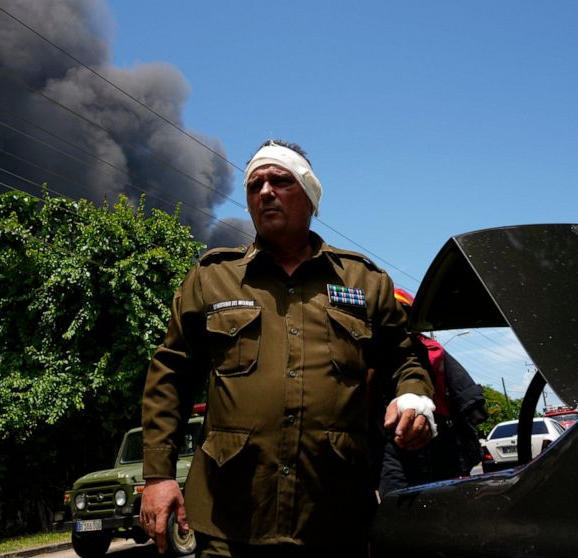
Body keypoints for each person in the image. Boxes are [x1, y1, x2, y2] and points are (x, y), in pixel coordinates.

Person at [139, 139, 437, 557]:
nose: (265, 192)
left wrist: (414, 399)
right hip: (229, 522)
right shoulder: (212, 278)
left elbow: (405, 356)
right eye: (254, 185)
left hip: (334, 517)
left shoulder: (363, 281)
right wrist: (157, 477)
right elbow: (171, 375)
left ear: (311, 197)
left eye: (280, 180)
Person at [376, 288, 488, 495]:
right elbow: (470, 402)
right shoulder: (427, 347)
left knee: (403, 506)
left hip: (422, 438)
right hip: (429, 438)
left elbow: (467, 398)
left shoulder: (427, 349)